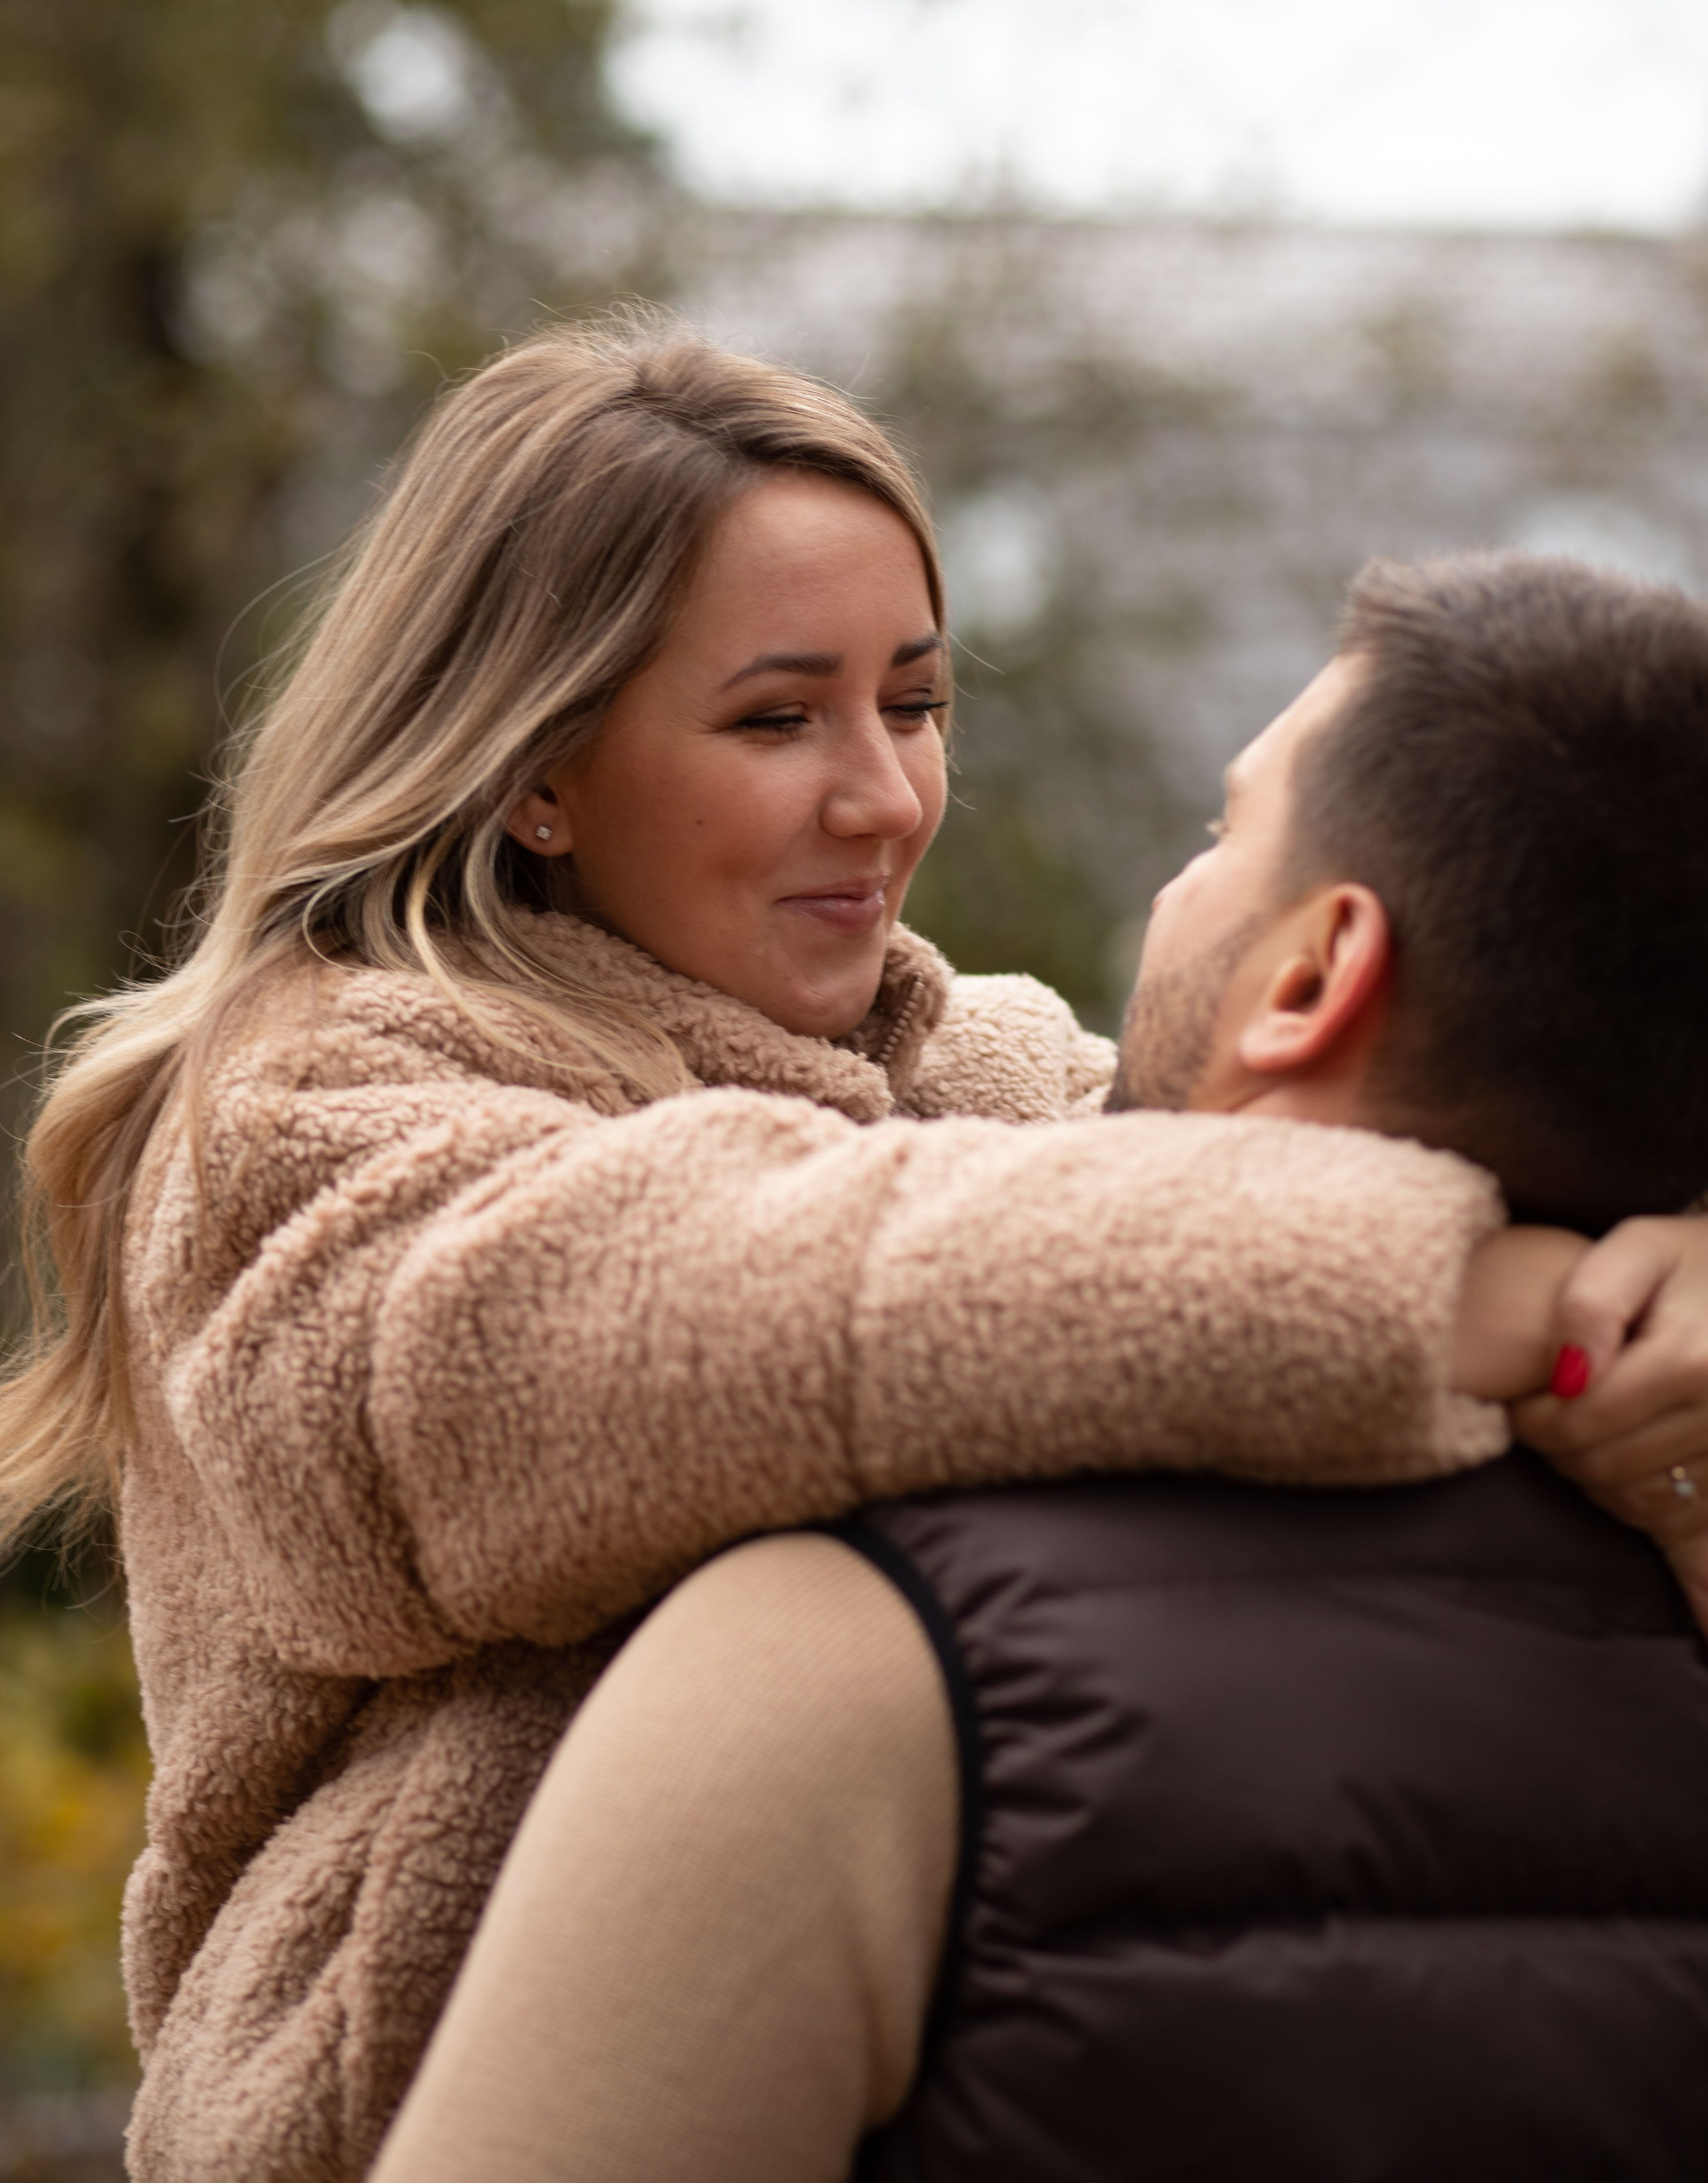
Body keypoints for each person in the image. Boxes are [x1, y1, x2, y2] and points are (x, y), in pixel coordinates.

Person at [2, 326, 1699, 2183]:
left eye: (914, 699)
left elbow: (1326, 1124)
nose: (885, 796)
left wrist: (1661, 1286)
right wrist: (1471, 1292)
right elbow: (621, 1318)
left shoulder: (978, 1068)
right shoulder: (314, 1107)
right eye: (775, 718)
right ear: (538, 771)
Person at [370, 551, 1708, 2183]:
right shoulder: (1675, 1566)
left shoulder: (833, 1664)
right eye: (779, 715)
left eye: (1223, 836)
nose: (883, 798)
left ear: (1307, 981)